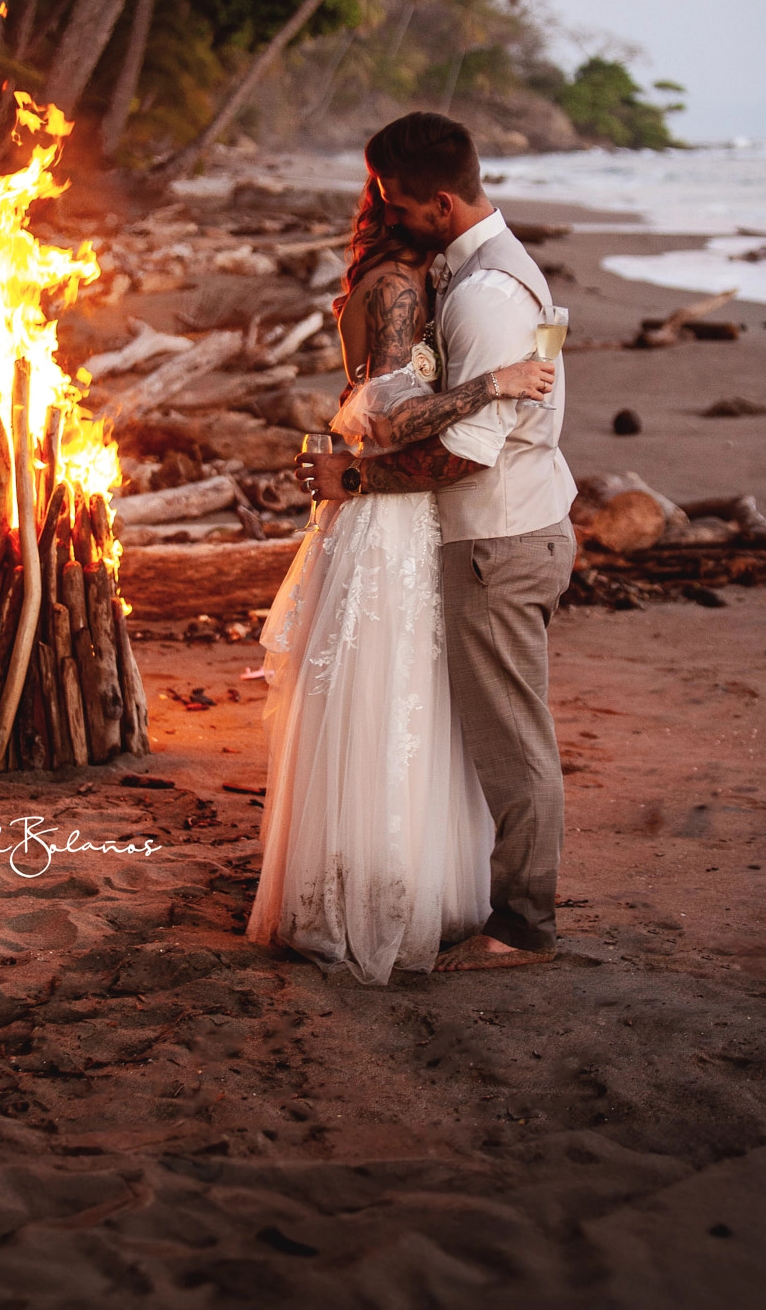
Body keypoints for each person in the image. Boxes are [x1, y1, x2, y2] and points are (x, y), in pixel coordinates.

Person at [245, 169, 556, 985]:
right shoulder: (393, 283)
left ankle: (406, 880)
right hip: (392, 518)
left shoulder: (425, 279)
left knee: (411, 695)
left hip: (410, 516)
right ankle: (368, 891)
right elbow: (384, 412)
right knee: (382, 689)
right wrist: (493, 382)